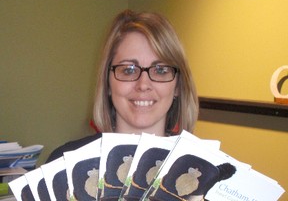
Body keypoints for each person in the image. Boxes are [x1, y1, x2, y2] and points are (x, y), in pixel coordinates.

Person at [46, 9, 198, 163]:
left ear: (178, 86)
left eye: (160, 70)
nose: (143, 85)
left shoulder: (206, 171)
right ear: (108, 82)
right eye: (128, 70)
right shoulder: (63, 162)